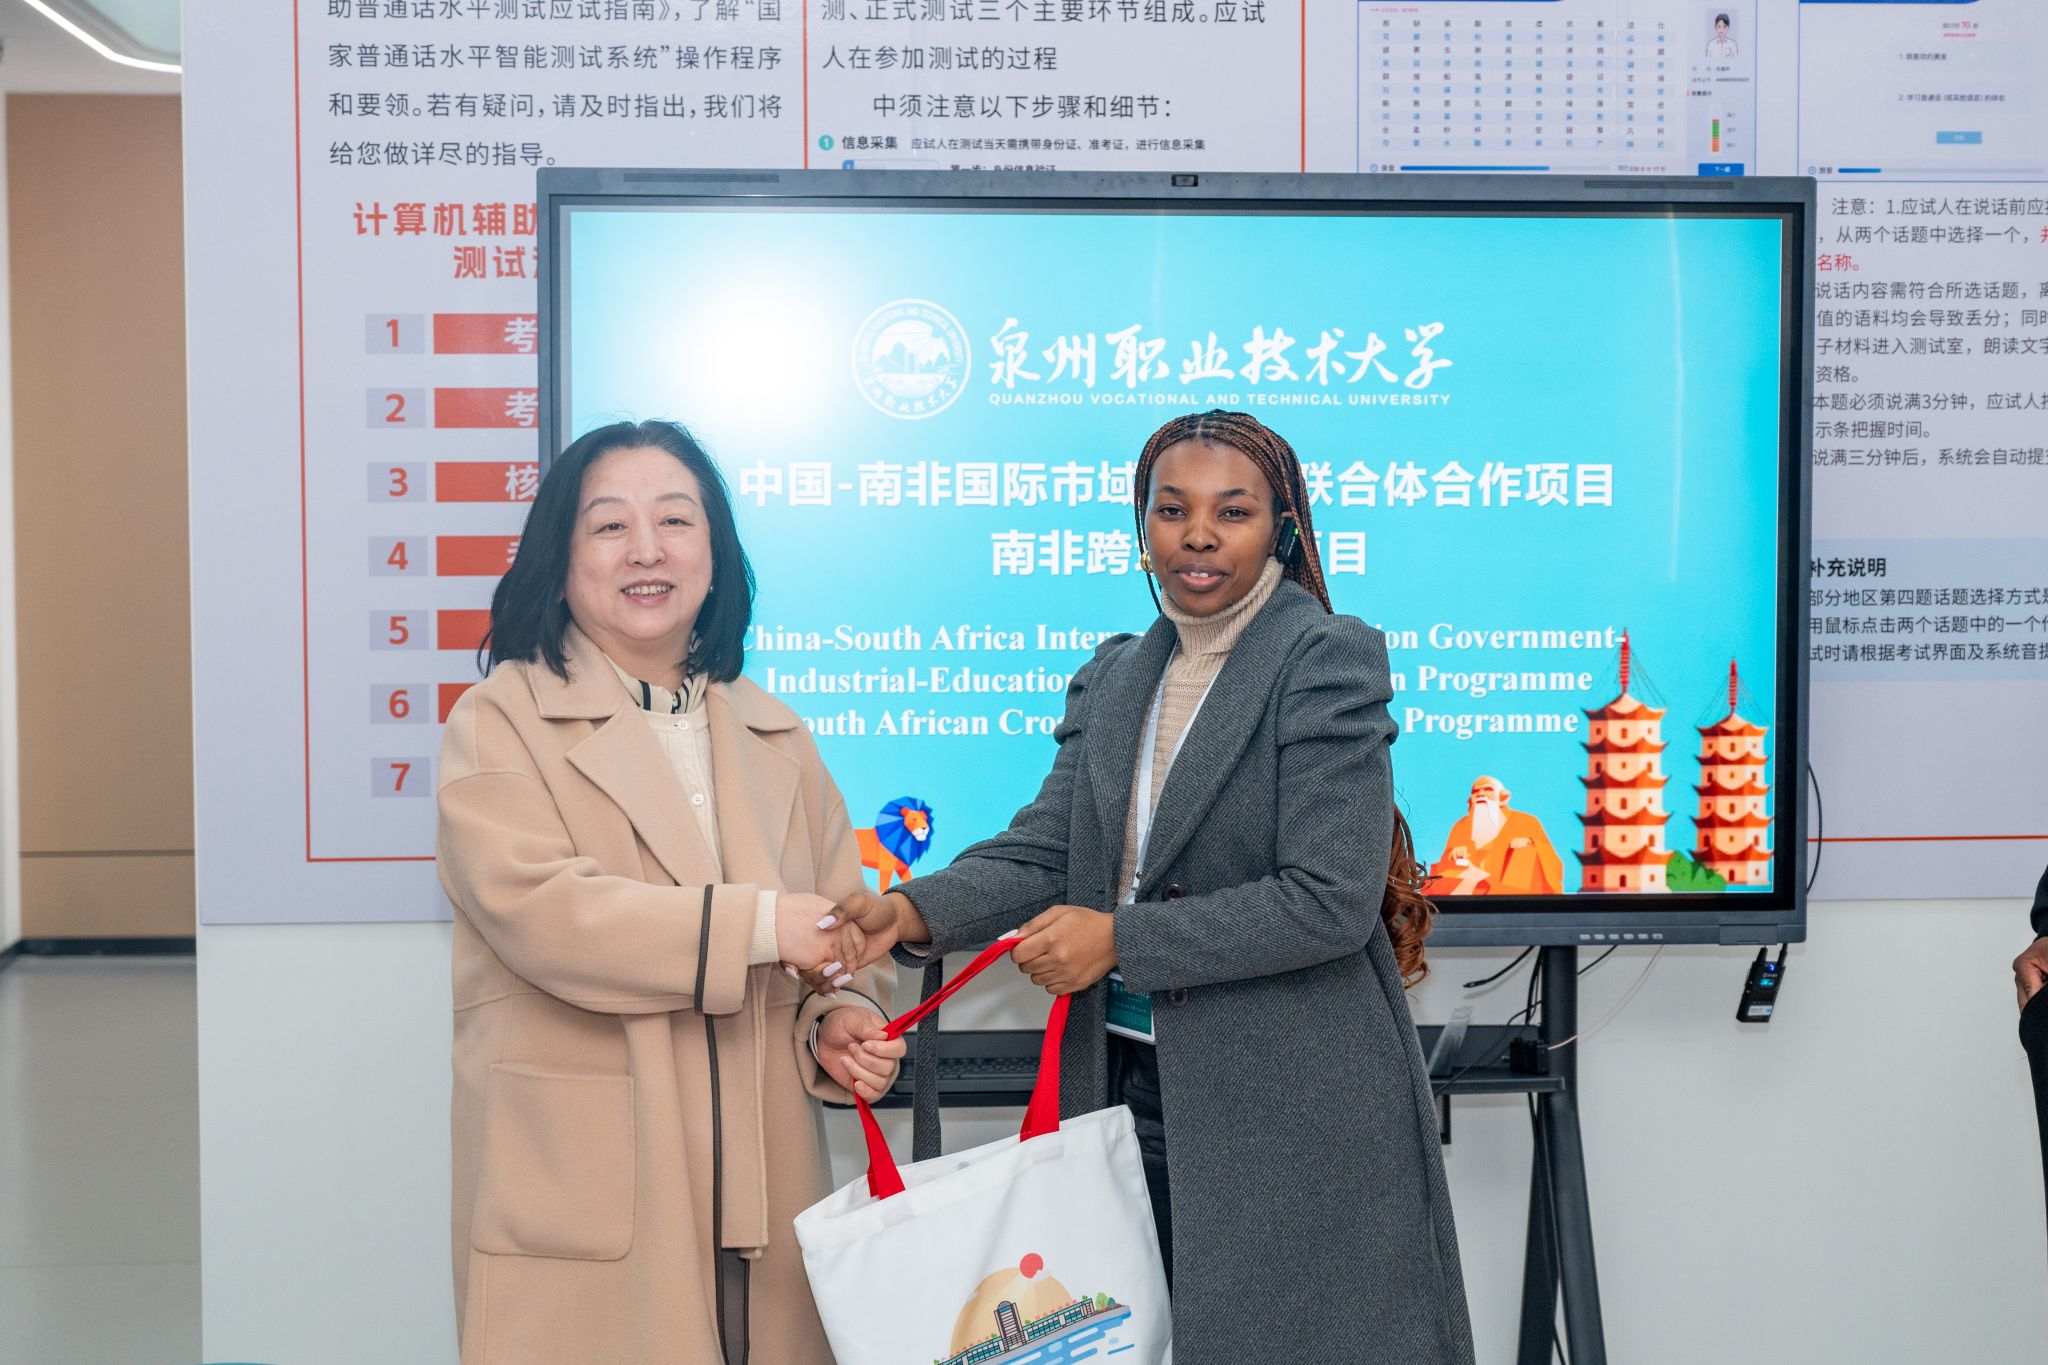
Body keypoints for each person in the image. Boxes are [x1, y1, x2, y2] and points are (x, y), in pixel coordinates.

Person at [844, 410, 1474, 1364]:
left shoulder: (1324, 659)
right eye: (1173, 509)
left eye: (1234, 511)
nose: (1199, 535)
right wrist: (908, 910)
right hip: (1127, 1087)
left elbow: (1328, 899)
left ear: (1284, 530)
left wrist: (1119, 941)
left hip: (1291, 1100)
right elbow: (1049, 851)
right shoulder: (1116, 675)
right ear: (1143, 527)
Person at [435, 419, 902, 1365]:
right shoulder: (499, 721)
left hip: (768, 1173)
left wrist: (839, 1017)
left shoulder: (778, 735)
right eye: (610, 525)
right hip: (595, 1173)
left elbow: (838, 928)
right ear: (559, 561)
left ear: (716, 556)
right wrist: (762, 925)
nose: (646, 550)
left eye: (676, 521)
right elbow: (547, 916)